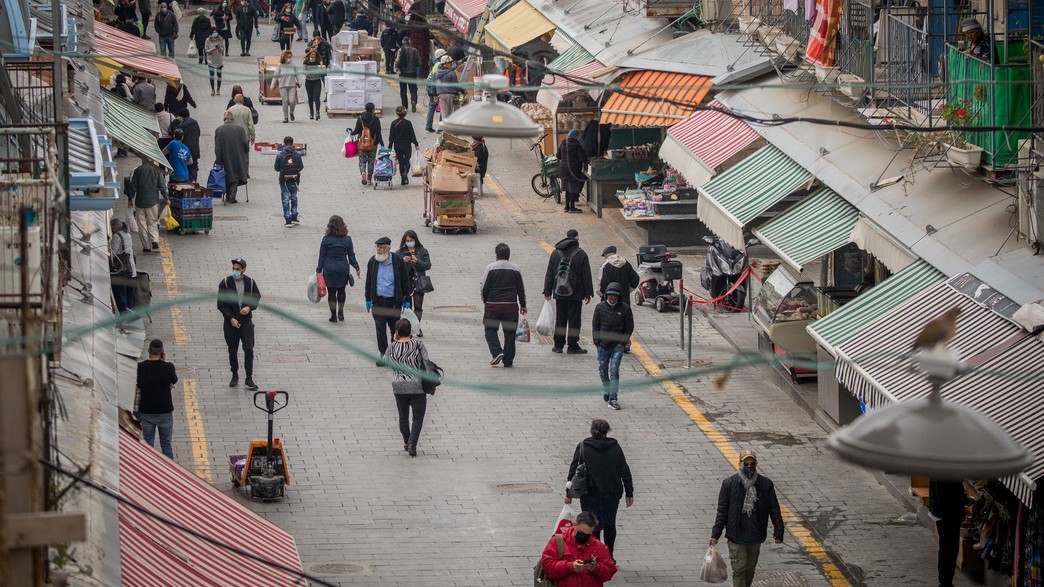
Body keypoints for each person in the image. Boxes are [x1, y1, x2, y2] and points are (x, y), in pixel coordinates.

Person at [710, 449, 785, 587]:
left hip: (756, 536)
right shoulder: (729, 484)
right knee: (739, 569)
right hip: (736, 536)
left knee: (749, 570)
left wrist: (778, 531)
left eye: (752, 464)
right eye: (746, 463)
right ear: (739, 464)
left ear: (756, 464)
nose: (749, 467)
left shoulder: (765, 484)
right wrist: (715, 535)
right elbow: (722, 512)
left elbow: (774, 509)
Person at [565, 419, 633, 559]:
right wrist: (629, 492)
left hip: (589, 493)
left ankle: (595, 555)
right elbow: (624, 470)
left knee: (592, 525)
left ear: (591, 431)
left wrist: (569, 493)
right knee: (609, 523)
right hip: (612, 493)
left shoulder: (583, 446)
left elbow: (573, 470)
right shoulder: (615, 447)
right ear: (607, 432)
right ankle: (609, 556)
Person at [383, 318, 429, 457]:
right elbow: (426, 362)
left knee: (403, 416)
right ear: (410, 331)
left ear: (396, 332)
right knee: (418, 417)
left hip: (399, 385)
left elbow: (385, 361)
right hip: (417, 385)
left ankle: (406, 441)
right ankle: (412, 444)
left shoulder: (392, 346)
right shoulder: (418, 345)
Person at [543, 228, 594, 354]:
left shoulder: (556, 253)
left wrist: (547, 291)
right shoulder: (581, 254)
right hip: (576, 293)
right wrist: (588, 293)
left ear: (566, 237)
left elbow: (550, 272)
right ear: (577, 238)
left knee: (560, 318)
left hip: (559, 291)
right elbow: (586, 275)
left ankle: (558, 345)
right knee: (574, 319)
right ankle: (572, 345)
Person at [364, 236, 412, 362]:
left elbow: (404, 280)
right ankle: (383, 356)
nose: (379, 250)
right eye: (377, 247)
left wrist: (407, 299)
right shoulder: (373, 261)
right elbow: (369, 281)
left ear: (388, 248)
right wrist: (368, 299)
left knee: (395, 330)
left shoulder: (397, 261)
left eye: (381, 248)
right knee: (380, 331)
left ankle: (394, 355)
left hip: (393, 303)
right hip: (378, 302)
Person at [540, 511, 618, 586]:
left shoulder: (599, 547)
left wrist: (595, 568)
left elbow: (609, 573)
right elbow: (548, 568)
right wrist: (570, 566)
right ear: (574, 525)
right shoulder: (557, 542)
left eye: (587, 534)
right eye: (581, 532)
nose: (583, 536)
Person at [480, 243, 526, 368]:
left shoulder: (490, 268)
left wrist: (485, 301)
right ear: (508, 255)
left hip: (493, 306)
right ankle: (508, 361)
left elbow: (484, 287)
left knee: (490, 330)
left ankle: (497, 352)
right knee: (510, 334)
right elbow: (520, 288)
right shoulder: (515, 268)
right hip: (510, 307)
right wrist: (523, 304)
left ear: (496, 255)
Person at [217, 258, 261, 390]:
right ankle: (234, 374)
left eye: (238, 269)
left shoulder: (250, 283)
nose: (235, 271)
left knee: (248, 348)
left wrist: (249, 307)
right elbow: (221, 304)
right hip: (231, 323)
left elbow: (256, 297)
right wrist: (230, 318)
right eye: (233, 269)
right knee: (232, 349)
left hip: (246, 321)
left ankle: (249, 377)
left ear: (243, 270)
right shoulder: (225, 283)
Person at [591, 283, 633, 410]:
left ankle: (613, 398)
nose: (612, 301)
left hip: (617, 346)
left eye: (615, 299)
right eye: (610, 298)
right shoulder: (599, 308)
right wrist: (597, 342)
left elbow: (629, 327)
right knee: (603, 371)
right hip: (602, 345)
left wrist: (622, 342)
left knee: (614, 371)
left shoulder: (625, 309)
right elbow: (595, 325)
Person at [135, 339, 178, 459]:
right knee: (166, 444)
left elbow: (139, 384)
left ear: (149, 350)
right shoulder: (168, 367)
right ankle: (169, 470)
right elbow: (174, 379)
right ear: (162, 352)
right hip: (165, 410)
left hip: (147, 411)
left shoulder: (141, 367)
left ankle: (149, 468)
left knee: (148, 443)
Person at [316, 215, 360, 322]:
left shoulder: (326, 240)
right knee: (341, 290)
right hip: (342, 267)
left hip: (329, 267)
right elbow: (351, 255)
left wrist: (318, 269)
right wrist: (356, 266)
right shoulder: (347, 239)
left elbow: (322, 256)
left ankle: (333, 315)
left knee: (331, 293)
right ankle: (341, 313)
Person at [931, 480, 968, 587]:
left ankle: (945, 582)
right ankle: (945, 583)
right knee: (949, 549)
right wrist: (965, 500)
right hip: (949, 512)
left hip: (942, 510)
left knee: (946, 548)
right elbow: (951, 492)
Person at [127, 157, 167, 253]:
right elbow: (162, 186)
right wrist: (167, 198)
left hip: (140, 201)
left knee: (142, 224)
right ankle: (154, 240)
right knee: (152, 222)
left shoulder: (138, 170)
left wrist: (130, 199)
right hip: (153, 202)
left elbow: (133, 186)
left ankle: (146, 246)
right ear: (153, 161)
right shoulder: (157, 170)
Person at [397, 230, 431, 335]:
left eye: (411, 240)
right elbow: (394, 265)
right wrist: (403, 260)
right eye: (407, 240)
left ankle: (417, 325)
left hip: (419, 282)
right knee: (407, 307)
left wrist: (417, 262)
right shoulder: (400, 253)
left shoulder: (423, 251)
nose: (409, 242)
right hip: (406, 282)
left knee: (418, 306)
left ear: (415, 240)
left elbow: (428, 265)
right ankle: (408, 328)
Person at [213, 110, 250, 204]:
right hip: (238, 155)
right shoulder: (240, 129)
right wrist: (244, 153)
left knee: (227, 174)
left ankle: (229, 194)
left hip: (225, 156)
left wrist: (218, 159)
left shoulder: (219, 130)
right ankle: (232, 195)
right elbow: (245, 144)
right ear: (233, 119)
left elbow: (217, 147)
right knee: (236, 175)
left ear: (224, 119)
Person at [274, 136, 303, 227]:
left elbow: (276, 168)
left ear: (284, 144)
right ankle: (294, 216)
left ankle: (288, 219)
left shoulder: (280, 155)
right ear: (292, 144)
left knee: (285, 199)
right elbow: (301, 167)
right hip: (294, 180)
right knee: (294, 197)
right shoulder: (297, 155)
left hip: (284, 180)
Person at [351, 102, 383, 184]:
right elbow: (378, 133)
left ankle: (363, 173)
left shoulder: (360, 119)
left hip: (362, 144)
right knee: (371, 161)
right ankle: (369, 179)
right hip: (373, 144)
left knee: (362, 160)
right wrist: (382, 145)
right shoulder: (376, 120)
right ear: (373, 109)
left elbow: (356, 131)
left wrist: (350, 132)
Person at [557, 129, 588, 213]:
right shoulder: (577, 145)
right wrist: (586, 160)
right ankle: (572, 208)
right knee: (573, 189)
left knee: (567, 189)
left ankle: (567, 207)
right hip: (574, 170)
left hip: (563, 169)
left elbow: (558, 155)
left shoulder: (563, 144)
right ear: (575, 136)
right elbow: (582, 158)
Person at [109, 217, 137, 313]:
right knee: (129, 293)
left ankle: (124, 314)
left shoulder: (117, 236)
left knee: (120, 292)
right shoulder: (128, 234)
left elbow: (113, 253)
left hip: (121, 270)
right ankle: (130, 314)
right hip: (131, 269)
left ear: (114, 228)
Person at [388, 106, 418, 185]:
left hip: (397, 145)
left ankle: (402, 179)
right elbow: (412, 134)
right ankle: (405, 172)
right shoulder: (408, 123)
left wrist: (390, 147)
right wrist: (416, 144)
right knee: (407, 160)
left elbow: (391, 136)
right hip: (407, 145)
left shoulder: (394, 123)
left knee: (401, 161)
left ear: (396, 114)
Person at [273, 50, 301, 123]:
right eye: (288, 57)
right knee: (285, 101)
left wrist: (299, 81)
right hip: (283, 85)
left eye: (290, 57)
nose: (289, 58)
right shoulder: (280, 65)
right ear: (284, 57)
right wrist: (273, 85)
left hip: (292, 85)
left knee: (292, 101)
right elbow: (275, 75)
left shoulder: (293, 65)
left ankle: (291, 112)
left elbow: (297, 74)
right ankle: (285, 117)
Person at [394, 37, 421, 111]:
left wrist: (397, 69)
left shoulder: (400, 50)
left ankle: (404, 106)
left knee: (403, 90)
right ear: (410, 43)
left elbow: (397, 61)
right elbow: (419, 62)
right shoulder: (415, 50)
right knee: (413, 89)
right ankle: (414, 101)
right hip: (412, 73)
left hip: (402, 73)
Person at [174, 109, 201, 182]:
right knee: (194, 166)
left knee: (186, 166)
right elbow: (198, 133)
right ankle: (194, 182)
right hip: (195, 150)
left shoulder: (182, 125)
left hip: (186, 151)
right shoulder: (195, 122)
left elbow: (179, 138)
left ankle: (188, 182)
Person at [423, 48, 446, 132]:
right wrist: (435, 94)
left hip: (430, 87)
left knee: (432, 106)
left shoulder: (436, 64)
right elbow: (435, 80)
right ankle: (440, 127)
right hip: (433, 88)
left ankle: (429, 126)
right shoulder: (439, 65)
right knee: (437, 106)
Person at [303, 49, 324, 120]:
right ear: (309, 55)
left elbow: (322, 72)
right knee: (310, 97)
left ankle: (317, 112)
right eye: (312, 54)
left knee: (317, 97)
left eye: (314, 55)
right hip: (309, 81)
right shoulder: (306, 61)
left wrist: (321, 67)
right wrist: (306, 73)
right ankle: (311, 112)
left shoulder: (318, 61)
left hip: (317, 81)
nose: (313, 56)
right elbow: (304, 71)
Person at [205, 28, 225, 96]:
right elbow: (206, 51)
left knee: (219, 75)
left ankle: (218, 88)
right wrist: (213, 49)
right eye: (213, 32)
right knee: (212, 75)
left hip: (219, 60)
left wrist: (219, 48)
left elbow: (222, 50)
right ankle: (212, 89)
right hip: (211, 60)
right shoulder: (208, 40)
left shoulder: (220, 39)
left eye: (216, 32)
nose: (215, 33)